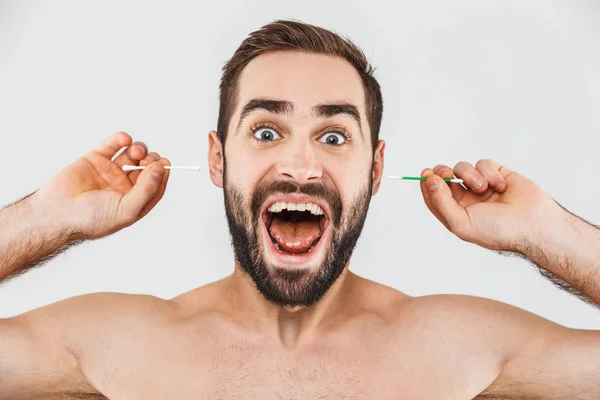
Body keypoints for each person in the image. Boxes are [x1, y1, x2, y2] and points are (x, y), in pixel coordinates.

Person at [0, 19, 598, 400]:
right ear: (216, 159)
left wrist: (546, 235)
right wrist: (48, 220)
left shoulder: (460, 347)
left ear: (376, 168)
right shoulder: (118, 345)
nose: (301, 167)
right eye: (265, 131)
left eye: (334, 136)